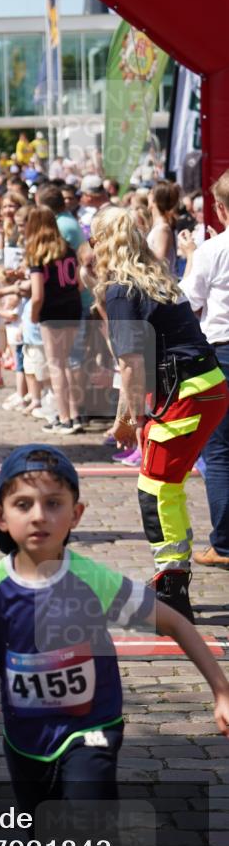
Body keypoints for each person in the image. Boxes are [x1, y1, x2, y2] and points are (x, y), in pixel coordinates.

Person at [0, 443, 229, 846]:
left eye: (53, 503)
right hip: (26, 741)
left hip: (92, 729)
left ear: (76, 515)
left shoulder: (91, 580)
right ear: (0, 517)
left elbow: (176, 624)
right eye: (24, 504)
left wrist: (221, 691)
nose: (39, 515)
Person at [91, 206, 229, 620]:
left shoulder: (121, 288)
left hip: (186, 393)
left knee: (156, 489)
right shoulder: (157, 277)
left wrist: (131, 421)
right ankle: (172, 578)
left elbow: (131, 364)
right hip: (206, 386)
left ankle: (171, 588)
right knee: (166, 484)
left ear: (103, 243)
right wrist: (135, 417)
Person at [178, 169, 229, 569]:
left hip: (222, 353)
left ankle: (225, 545)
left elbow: (186, 302)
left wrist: (192, 257)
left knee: (220, 451)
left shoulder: (213, 251)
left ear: (222, 209)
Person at [25, 207, 82, 434]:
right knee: (66, 362)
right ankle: (74, 414)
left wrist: (34, 315)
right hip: (72, 307)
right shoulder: (68, 249)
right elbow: (79, 284)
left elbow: (37, 295)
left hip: (52, 312)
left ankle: (64, 418)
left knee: (56, 364)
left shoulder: (37, 254)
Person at [147, 181, 179, 274]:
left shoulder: (162, 229)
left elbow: (159, 263)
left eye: (151, 192)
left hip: (161, 281)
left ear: (155, 200)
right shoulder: (158, 226)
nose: (148, 194)